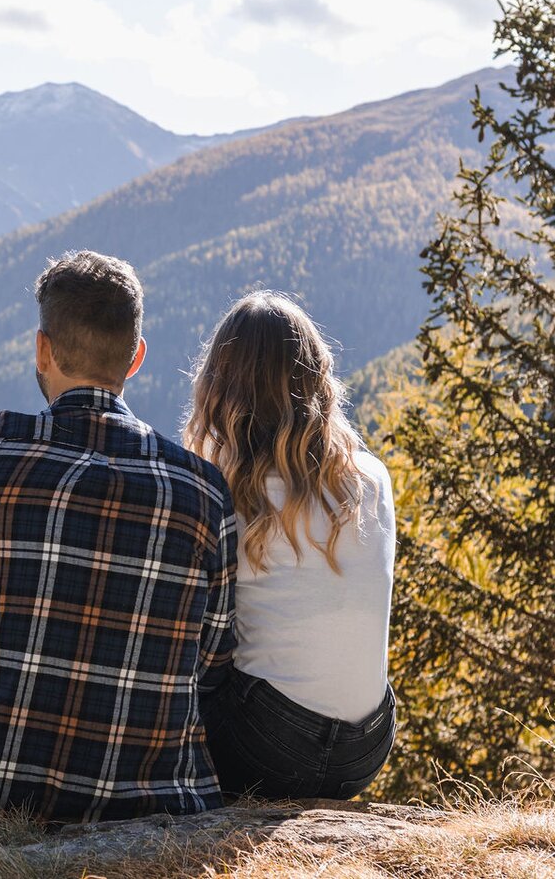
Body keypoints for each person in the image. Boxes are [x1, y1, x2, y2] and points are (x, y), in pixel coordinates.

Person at [0, 250, 237, 822]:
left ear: (42, 348)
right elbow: (215, 652)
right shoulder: (202, 489)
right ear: (136, 359)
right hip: (143, 803)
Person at [183, 291, 397, 801]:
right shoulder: (371, 478)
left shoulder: (217, 487)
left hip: (265, 743)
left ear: (219, 387)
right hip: (367, 747)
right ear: (317, 377)